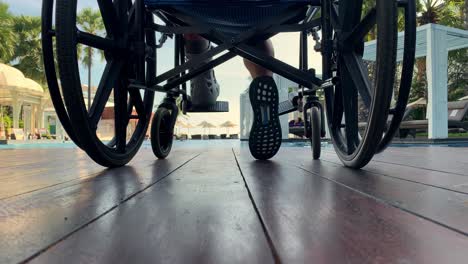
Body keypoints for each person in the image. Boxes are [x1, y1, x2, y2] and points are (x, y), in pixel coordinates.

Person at [185, 35, 281, 160]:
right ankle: (262, 77)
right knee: (258, 32)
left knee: (192, 23)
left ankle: (201, 72)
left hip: (202, 17)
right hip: (255, 19)